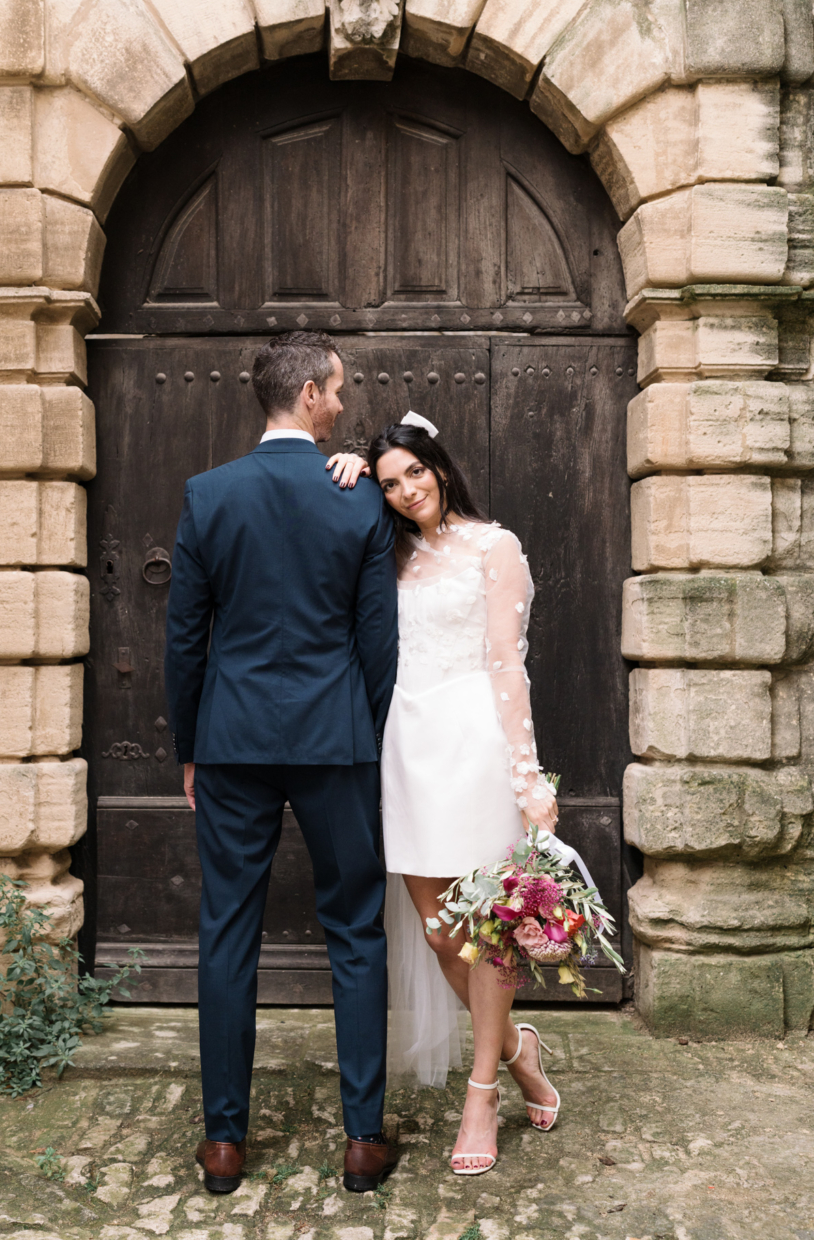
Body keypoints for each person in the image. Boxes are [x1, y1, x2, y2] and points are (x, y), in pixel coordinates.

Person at [164, 331, 400, 1197]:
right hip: (336, 739)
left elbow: (186, 637)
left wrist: (190, 746)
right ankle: (363, 1141)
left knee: (226, 930)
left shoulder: (208, 495)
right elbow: (379, 639)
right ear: (306, 393)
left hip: (231, 740)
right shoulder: (358, 500)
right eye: (336, 390)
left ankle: (224, 1143)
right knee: (355, 930)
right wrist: (370, 738)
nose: (342, 402)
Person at [328, 413, 561, 1176]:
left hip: (473, 741)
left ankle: (483, 1090)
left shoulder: (495, 547)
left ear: (441, 468)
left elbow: (507, 663)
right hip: (405, 743)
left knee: (487, 930)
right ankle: (521, 1046)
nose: (404, 491)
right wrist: (345, 472)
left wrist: (527, 778)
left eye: (413, 473)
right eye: (389, 482)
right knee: (436, 931)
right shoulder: (384, 552)